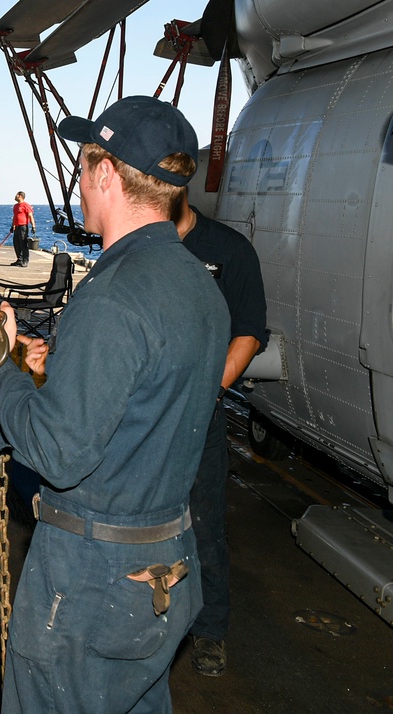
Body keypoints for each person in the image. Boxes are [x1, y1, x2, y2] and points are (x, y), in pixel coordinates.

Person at [0, 96, 230, 711]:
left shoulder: (111, 298)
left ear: (105, 174)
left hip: (91, 581)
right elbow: (143, 404)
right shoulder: (199, 286)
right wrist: (55, 369)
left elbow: (60, 455)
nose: (78, 182)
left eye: (83, 167)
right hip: (164, 566)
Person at [176, 192, 268, 677]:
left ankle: (210, 629)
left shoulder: (229, 250)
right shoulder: (133, 245)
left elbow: (249, 330)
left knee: (204, 522)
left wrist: (210, 389)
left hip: (197, 415)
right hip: (139, 413)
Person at [10, 190, 35, 267]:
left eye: (16, 195)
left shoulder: (26, 205)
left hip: (23, 227)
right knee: (16, 243)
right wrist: (12, 226)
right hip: (17, 227)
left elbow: (30, 216)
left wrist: (33, 226)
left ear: (20, 196)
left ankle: (25, 260)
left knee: (23, 244)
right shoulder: (15, 206)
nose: (15, 196)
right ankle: (19, 259)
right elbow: (14, 217)